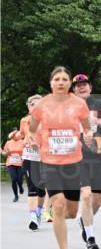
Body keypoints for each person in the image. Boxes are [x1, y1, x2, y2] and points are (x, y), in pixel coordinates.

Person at [29, 66, 94, 249]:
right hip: (50, 163)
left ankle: (63, 219)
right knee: (58, 205)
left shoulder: (78, 104)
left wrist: (89, 135)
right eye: (57, 79)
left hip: (74, 163)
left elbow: (87, 127)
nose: (60, 82)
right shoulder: (42, 105)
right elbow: (31, 130)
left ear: (69, 83)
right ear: (51, 83)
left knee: (71, 212)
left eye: (64, 79)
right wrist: (33, 142)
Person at [72, 74, 101, 249]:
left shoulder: (100, 104)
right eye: (78, 86)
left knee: (97, 201)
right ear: (73, 90)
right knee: (85, 195)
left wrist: (100, 122)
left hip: (97, 154)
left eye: (84, 85)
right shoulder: (68, 107)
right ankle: (90, 237)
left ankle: (84, 219)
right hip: (77, 156)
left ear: (90, 87)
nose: (81, 88)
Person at [19, 95, 48, 229]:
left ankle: (39, 212)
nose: (35, 106)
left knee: (41, 189)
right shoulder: (25, 120)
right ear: (29, 107)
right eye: (32, 104)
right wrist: (31, 142)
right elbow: (28, 134)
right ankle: (32, 218)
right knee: (32, 187)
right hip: (30, 156)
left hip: (45, 158)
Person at [3, 131, 25, 202]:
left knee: (19, 179)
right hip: (11, 163)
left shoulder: (23, 142)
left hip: (20, 163)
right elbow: (4, 153)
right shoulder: (8, 143)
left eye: (16, 135)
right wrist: (6, 153)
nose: (14, 136)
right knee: (14, 179)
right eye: (13, 135)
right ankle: (16, 195)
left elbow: (27, 152)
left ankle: (20, 186)